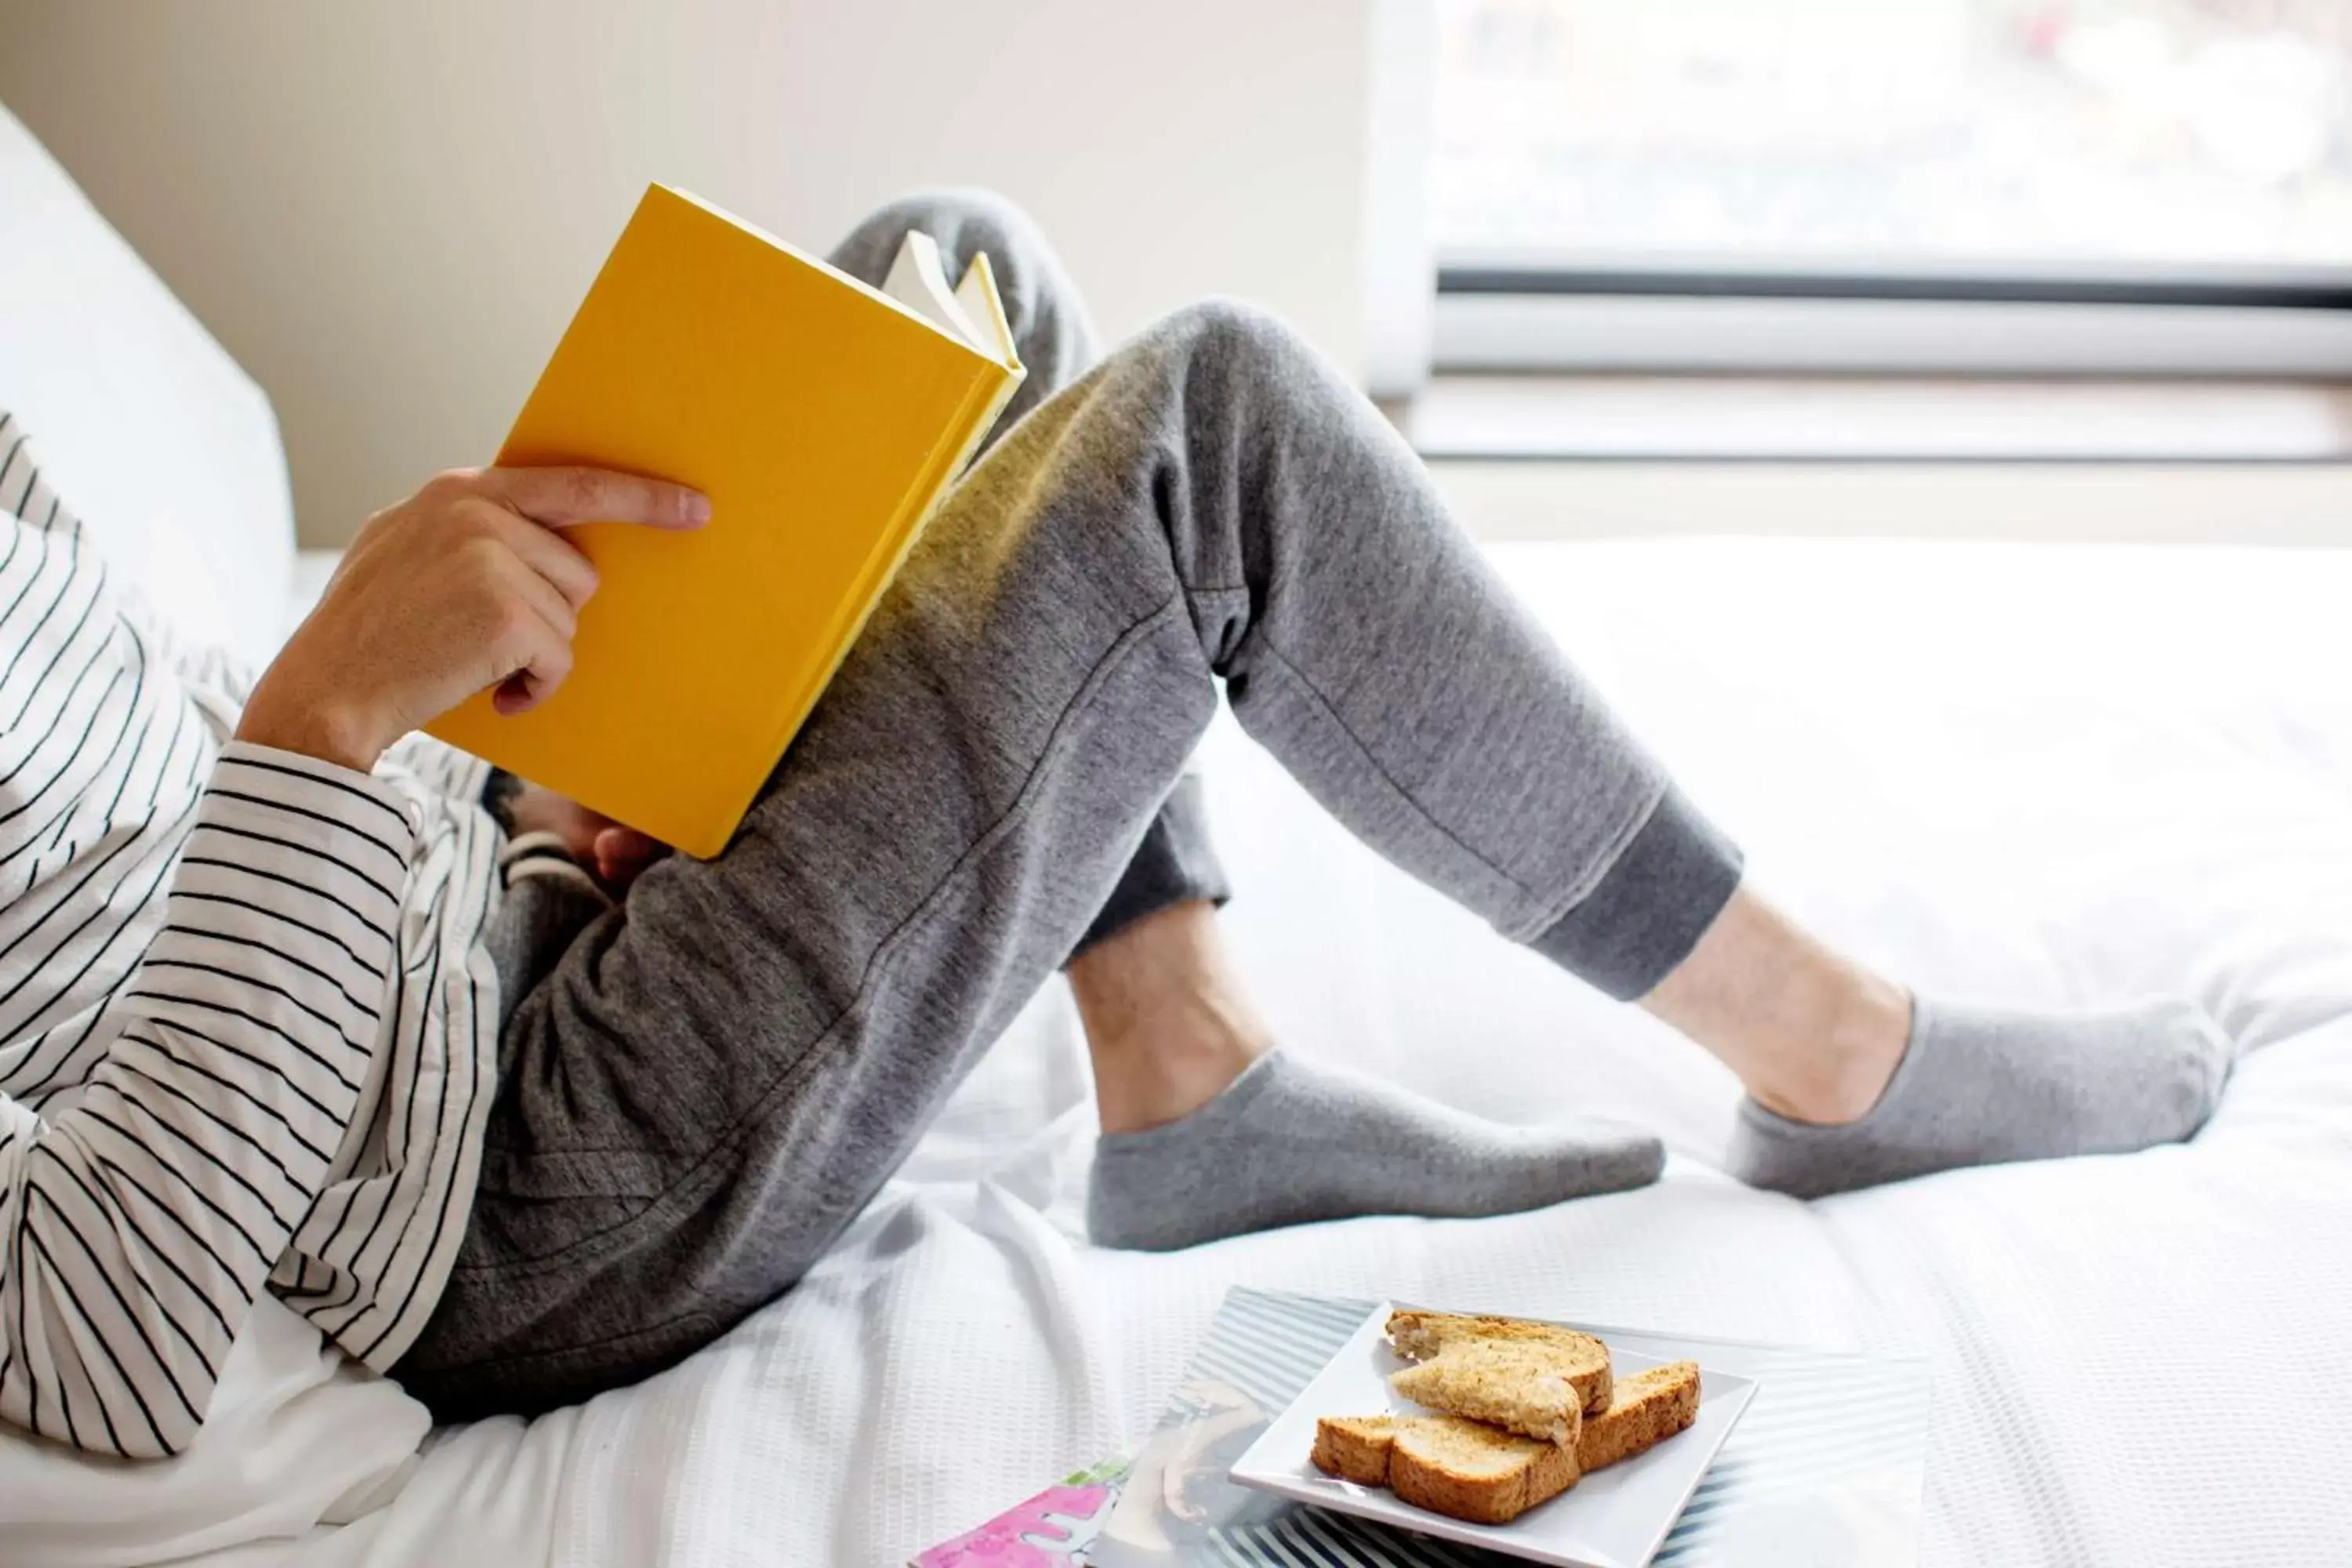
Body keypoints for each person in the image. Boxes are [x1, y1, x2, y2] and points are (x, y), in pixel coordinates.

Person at [0, 193, 2233, 1455]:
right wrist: (328, 719)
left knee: (945, 283)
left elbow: (125, 838)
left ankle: (1188, 1083)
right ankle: (1833, 1055)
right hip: (497, 1194)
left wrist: (517, 788)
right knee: (1205, 435)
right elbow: (100, 1329)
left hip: (468, 918)